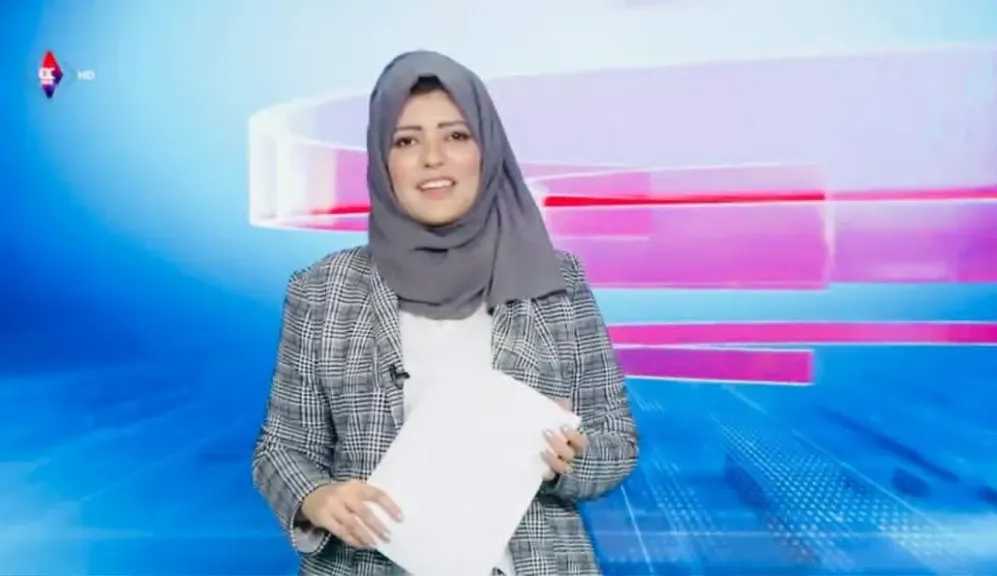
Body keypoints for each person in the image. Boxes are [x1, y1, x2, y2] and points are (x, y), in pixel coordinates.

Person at [252, 50, 638, 576]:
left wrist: (569, 461)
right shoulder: (323, 289)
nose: (433, 158)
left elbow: (617, 442)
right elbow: (280, 449)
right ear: (382, 161)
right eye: (406, 141)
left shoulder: (558, 282)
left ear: (487, 149)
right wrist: (316, 498)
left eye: (456, 135)